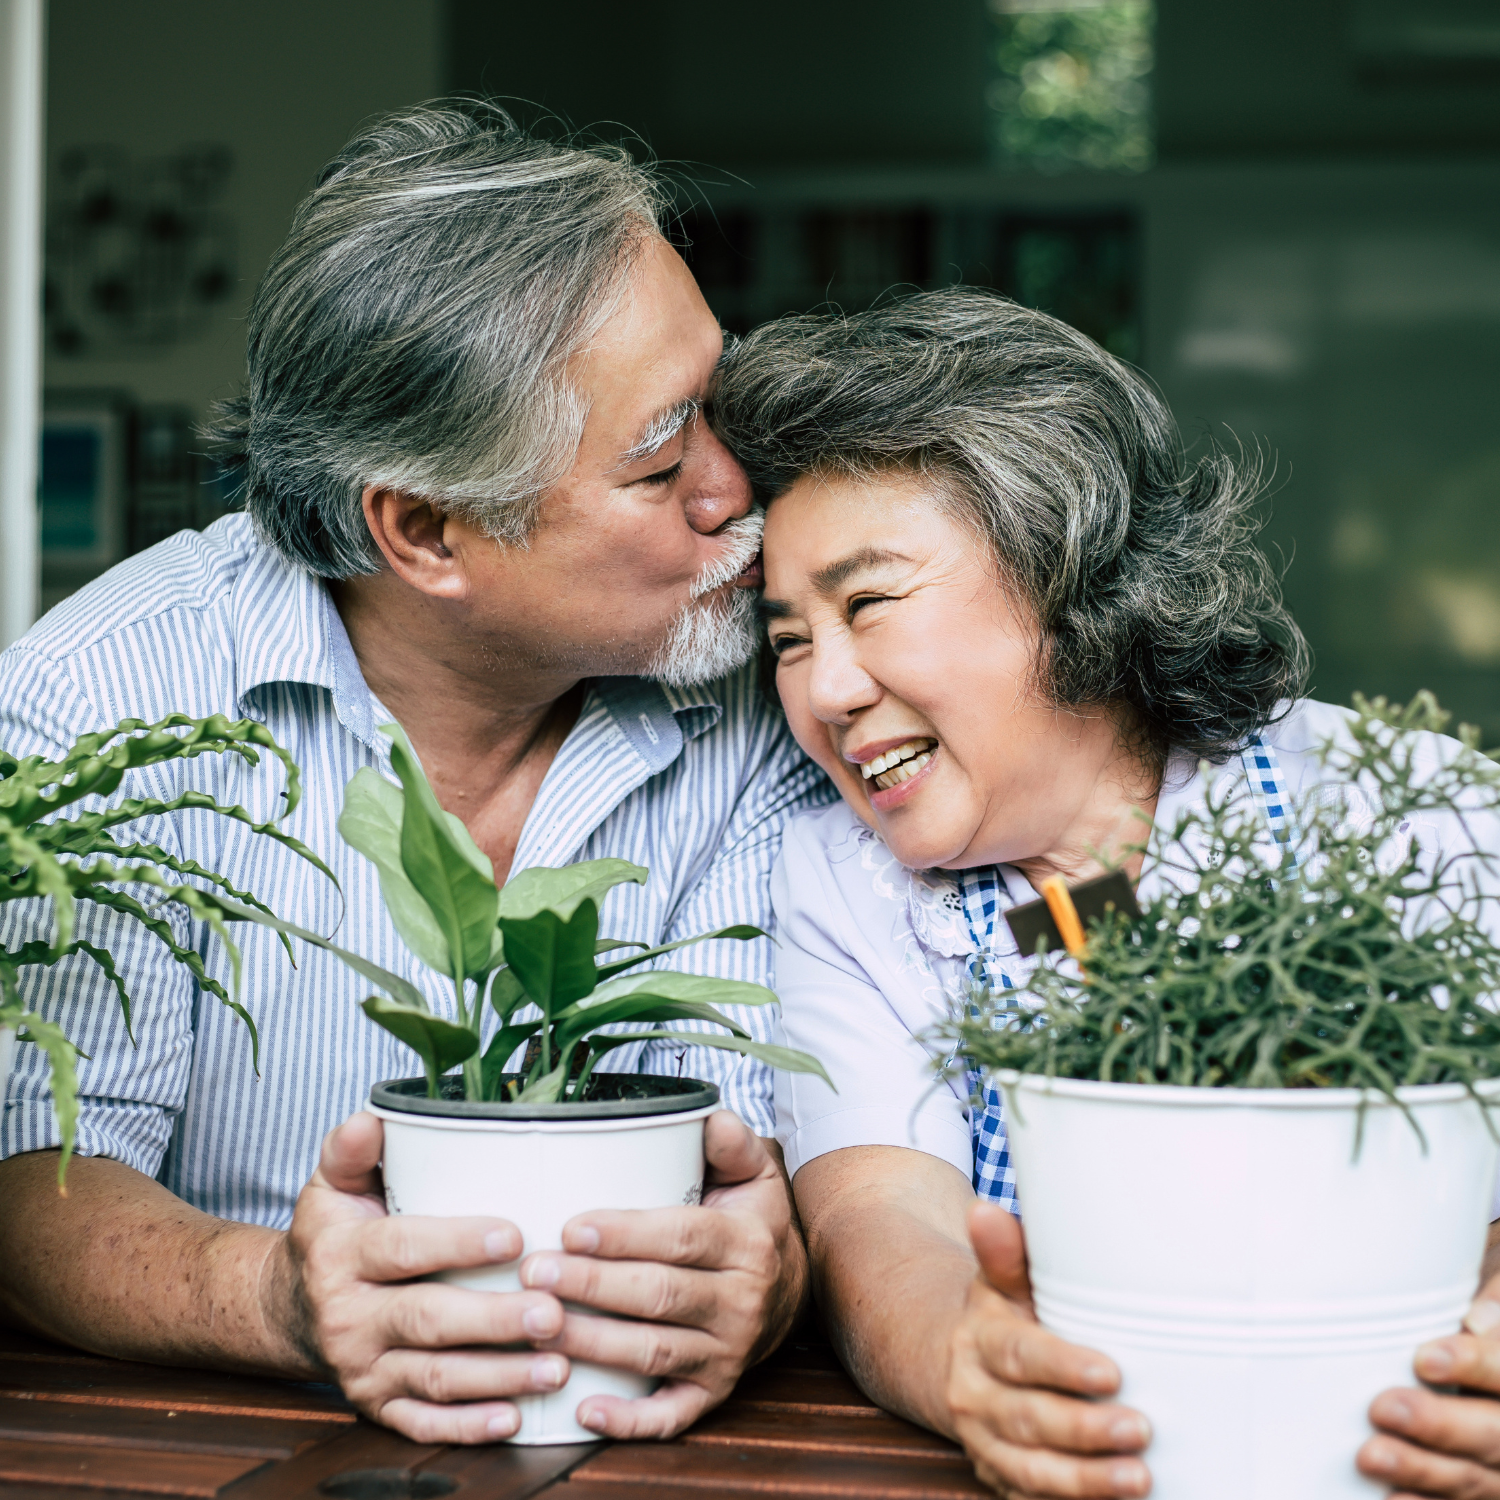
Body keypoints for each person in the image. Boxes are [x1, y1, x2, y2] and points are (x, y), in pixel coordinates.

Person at [0, 102, 833, 1444]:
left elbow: (759, 1146)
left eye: (715, 410)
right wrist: (278, 1296)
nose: (736, 488)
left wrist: (771, 1265)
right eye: (663, 458)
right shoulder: (97, 701)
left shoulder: (768, 686)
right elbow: (37, 1169)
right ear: (428, 531)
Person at [709, 285, 1500, 1500]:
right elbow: (878, 1217)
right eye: (788, 639)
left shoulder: (1408, 803)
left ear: (1067, 572)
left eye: (866, 603)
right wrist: (967, 1364)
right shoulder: (843, 886)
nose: (825, 691)